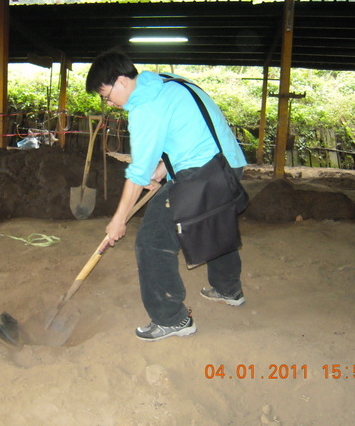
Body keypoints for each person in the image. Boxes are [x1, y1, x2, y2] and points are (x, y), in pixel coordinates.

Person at [85, 50, 247, 342]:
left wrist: (118, 220)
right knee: (215, 223)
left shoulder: (145, 107)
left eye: (106, 95)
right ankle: (228, 289)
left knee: (152, 241)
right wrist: (161, 170)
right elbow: (187, 131)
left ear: (121, 81)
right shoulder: (167, 82)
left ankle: (172, 318)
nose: (108, 103)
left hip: (203, 174)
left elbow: (136, 175)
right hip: (229, 164)